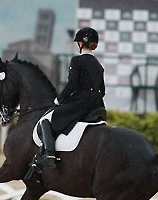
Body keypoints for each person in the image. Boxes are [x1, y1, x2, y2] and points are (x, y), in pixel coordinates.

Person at [33, 27, 106, 170]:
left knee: (47, 120)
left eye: (78, 42)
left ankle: (49, 155)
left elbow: (72, 85)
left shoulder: (77, 61)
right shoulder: (99, 65)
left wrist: (59, 100)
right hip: (98, 106)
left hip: (81, 103)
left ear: (81, 43)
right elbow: (102, 91)